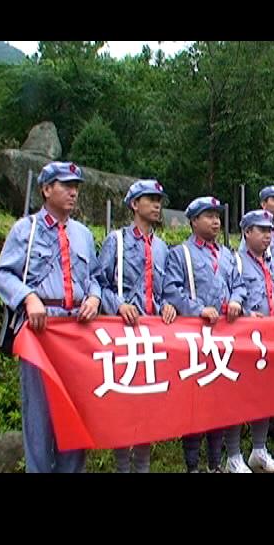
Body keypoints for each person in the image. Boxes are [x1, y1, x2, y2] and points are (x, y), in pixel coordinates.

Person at [0, 161, 102, 473]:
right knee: (39, 416)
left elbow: (95, 277)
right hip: (41, 332)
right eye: (66, 185)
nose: (73, 192)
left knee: (75, 412)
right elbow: (3, 274)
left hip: (77, 333)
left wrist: (94, 298)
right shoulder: (25, 230)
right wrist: (28, 298)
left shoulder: (83, 234)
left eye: (76, 187)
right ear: (45, 189)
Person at [162, 196, 247, 472]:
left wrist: (236, 301)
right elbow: (171, 289)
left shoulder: (227, 255)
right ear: (194, 221)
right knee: (195, 404)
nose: (216, 222)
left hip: (225, 338)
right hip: (196, 339)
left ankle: (215, 464)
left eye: (217, 216)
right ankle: (192, 466)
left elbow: (239, 285)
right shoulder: (181, 254)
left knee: (220, 403)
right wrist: (197, 309)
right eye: (209, 216)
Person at [98, 179, 177, 473]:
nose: (157, 205)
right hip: (122, 334)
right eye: (150, 199)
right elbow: (98, 283)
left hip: (152, 337)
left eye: (159, 200)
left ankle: (142, 467)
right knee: (123, 404)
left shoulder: (162, 247)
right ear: (134, 204)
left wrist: (168, 305)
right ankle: (122, 467)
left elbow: (166, 290)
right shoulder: (116, 241)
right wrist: (118, 305)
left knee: (148, 406)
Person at [229, 209, 274, 473]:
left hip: (270, 340)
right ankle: (233, 455)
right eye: (261, 230)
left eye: (269, 230)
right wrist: (244, 313)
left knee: (266, 397)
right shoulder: (236, 262)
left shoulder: (271, 264)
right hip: (244, 341)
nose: (267, 235)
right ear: (247, 232)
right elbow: (229, 296)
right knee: (238, 398)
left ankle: (259, 450)